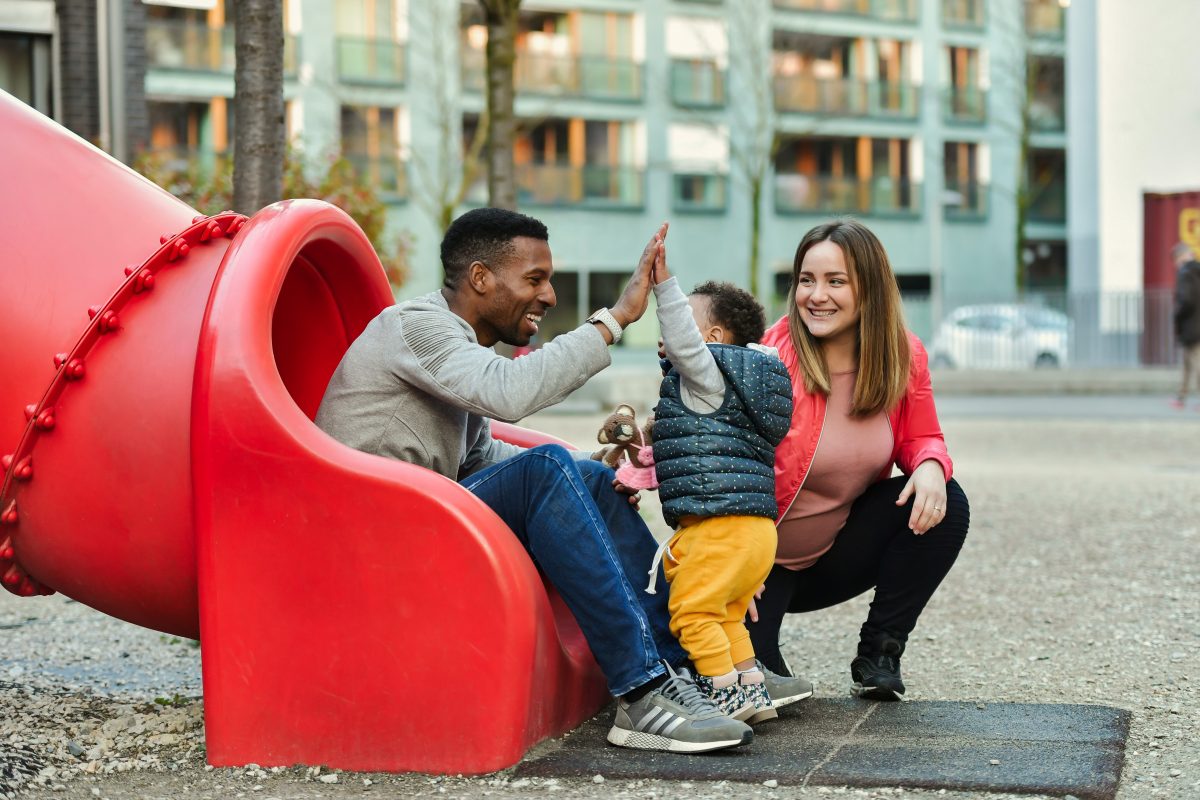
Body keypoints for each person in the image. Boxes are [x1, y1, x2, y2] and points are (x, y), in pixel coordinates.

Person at [315, 208, 754, 753]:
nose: (548, 296)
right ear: (481, 278)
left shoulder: (460, 350)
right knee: (548, 471)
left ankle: (681, 667)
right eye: (535, 279)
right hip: (370, 530)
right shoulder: (414, 327)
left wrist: (586, 464)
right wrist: (614, 319)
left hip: (425, 513)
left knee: (592, 478)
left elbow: (480, 458)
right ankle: (642, 691)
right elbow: (510, 394)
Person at [746, 218, 970, 702]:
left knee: (944, 500)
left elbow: (922, 435)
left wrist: (930, 463)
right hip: (757, 567)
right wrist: (732, 561)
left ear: (868, 289)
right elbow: (723, 463)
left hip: (833, 554)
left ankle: (879, 652)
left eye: (835, 281)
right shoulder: (766, 357)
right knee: (765, 696)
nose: (816, 295)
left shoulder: (902, 357)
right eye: (807, 280)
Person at [632, 235, 809, 724]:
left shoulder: (709, 376)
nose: (667, 332)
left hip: (719, 527)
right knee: (725, 616)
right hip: (755, 533)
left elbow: (685, 346)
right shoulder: (749, 386)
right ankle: (750, 692)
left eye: (680, 322)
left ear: (709, 339)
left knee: (691, 615)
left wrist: (664, 286)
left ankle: (720, 695)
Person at [1171, 242, 1200, 409]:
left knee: (1194, 363)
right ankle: (1181, 396)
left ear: (1179, 257)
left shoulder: (1185, 273)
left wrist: (1176, 315)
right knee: (1188, 363)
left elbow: (1186, 300)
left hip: (1191, 326)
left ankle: (1181, 397)